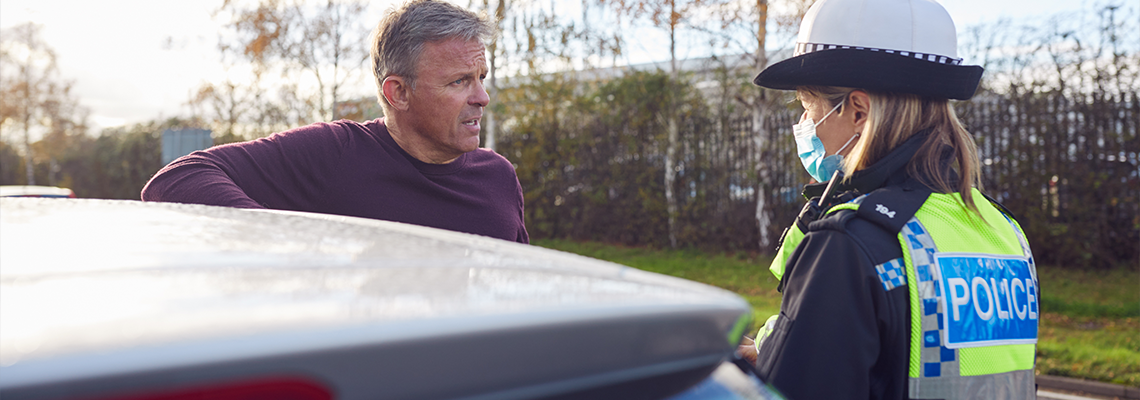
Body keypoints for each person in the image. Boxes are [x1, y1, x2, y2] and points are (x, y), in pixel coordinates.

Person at [738, 0, 1039, 398]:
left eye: (808, 107)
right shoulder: (1003, 230)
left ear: (858, 110)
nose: (805, 126)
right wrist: (775, 352)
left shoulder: (850, 244)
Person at [142, 0, 528, 244]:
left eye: (481, 77)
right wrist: (283, 239)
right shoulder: (337, 153)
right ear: (399, 93)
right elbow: (177, 178)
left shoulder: (498, 177)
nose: (482, 97)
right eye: (459, 81)